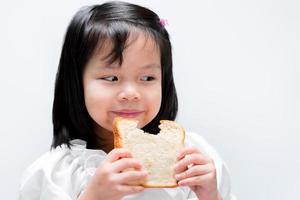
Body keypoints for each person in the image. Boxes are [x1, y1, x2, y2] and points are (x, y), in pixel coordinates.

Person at [19, 1, 236, 200]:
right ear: (77, 83)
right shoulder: (55, 174)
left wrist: (211, 195)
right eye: (111, 78)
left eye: (147, 78)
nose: (131, 93)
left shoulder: (190, 158)